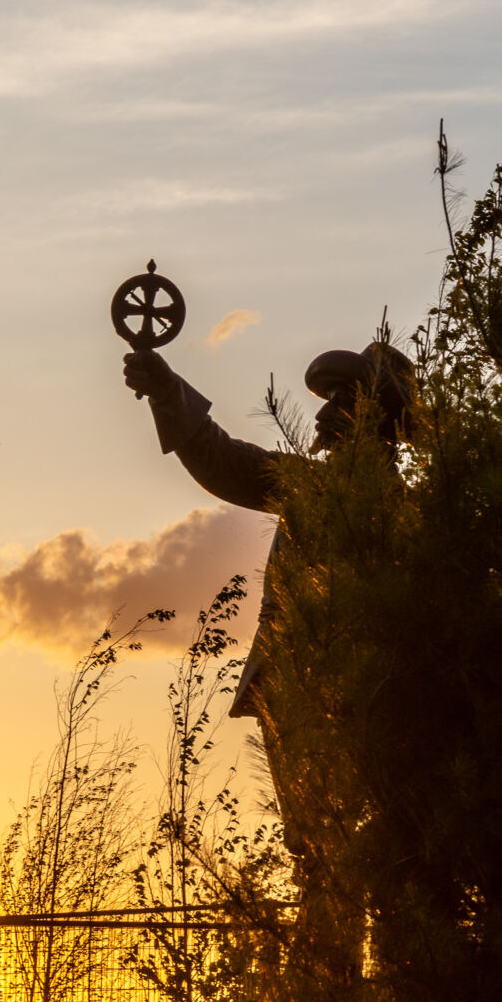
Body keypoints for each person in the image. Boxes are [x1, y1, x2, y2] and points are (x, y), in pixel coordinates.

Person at [122, 337, 413, 818]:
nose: (320, 417)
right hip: (290, 672)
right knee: (313, 841)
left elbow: (228, 463)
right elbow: (225, 461)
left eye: (342, 401)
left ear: (374, 417)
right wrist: (167, 390)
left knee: (386, 822)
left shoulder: (400, 515)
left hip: (368, 688)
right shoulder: (313, 487)